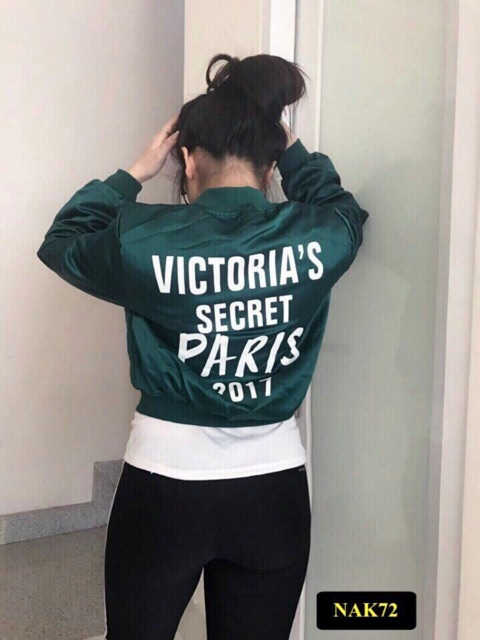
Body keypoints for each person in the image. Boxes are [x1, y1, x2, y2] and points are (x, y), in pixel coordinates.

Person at [37, 53, 370, 640]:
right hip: (273, 492)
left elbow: (63, 240)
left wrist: (134, 172)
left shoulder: (143, 238)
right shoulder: (317, 235)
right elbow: (343, 211)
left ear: (187, 159)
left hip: (164, 488)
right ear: (270, 165)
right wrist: (290, 150)